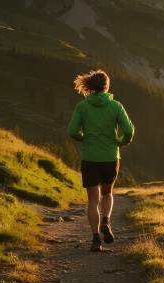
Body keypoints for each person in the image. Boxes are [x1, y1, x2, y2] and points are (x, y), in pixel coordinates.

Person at [68, 70, 135, 252]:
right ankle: (106, 220)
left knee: (92, 200)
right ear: (106, 86)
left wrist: (85, 138)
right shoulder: (116, 106)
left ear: (90, 86)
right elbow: (129, 130)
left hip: (90, 158)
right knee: (107, 193)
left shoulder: (82, 107)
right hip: (110, 157)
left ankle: (96, 238)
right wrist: (121, 142)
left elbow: (73, 131)